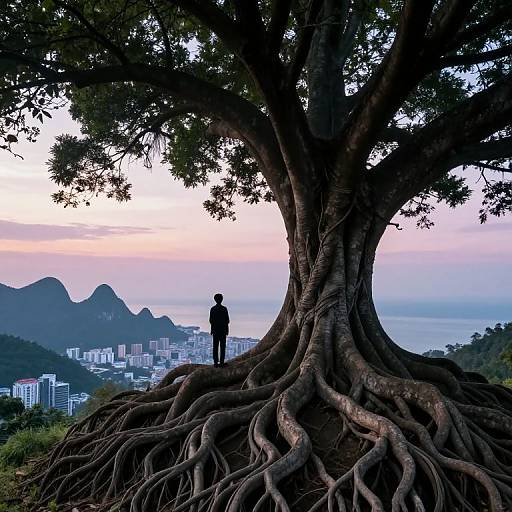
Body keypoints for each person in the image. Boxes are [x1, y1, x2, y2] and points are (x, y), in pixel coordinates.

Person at [209, 293, 229, 367]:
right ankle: (221, 362)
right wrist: (226, 330)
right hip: (223, 331)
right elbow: (227, 320)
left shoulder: (213, 309)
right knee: (222, 347)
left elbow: (211, 320)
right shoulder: (224, 309)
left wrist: (213, 329)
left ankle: (215, 363)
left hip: (215, 331)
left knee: (215, 347)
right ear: (221, 299)